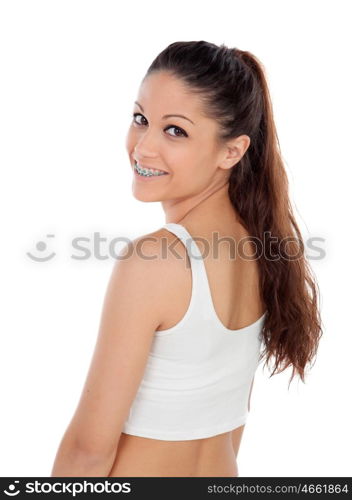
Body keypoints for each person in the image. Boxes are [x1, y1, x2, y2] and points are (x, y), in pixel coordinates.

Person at [51, 40, 322, 477]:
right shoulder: (262, 247)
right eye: (141, 119)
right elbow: (229, 422)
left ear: (231, 151)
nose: (142, 147)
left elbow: (88, 451)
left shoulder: (154, 260)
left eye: (174, 130)